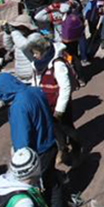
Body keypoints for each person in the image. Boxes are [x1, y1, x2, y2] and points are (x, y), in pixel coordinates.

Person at [0, 73, 65, 207]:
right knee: (52, 182)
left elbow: (22, 140)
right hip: (50, 143)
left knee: (39, 190)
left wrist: (19, 161)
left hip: (37, 153)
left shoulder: (18, 107)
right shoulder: (35, 91)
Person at [24, 35, 82, 167]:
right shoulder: (37, 65)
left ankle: (77, 150)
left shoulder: (57, 64)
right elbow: (35, 82)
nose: (35, 56)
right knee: (55, 129)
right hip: (47, 104)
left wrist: (59, 110)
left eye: (36, 53)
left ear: (43, 51)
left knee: (67, 127)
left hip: (60, 104)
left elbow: (65, 87)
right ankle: (63, 149)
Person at [4, 14, 43, 84]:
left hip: (33, 76)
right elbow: (9, 47)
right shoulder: (19, 38)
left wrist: (14, 32)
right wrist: (7, 34)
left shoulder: (35, 37)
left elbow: (23, 45)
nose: (18, 29)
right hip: (20, 75)